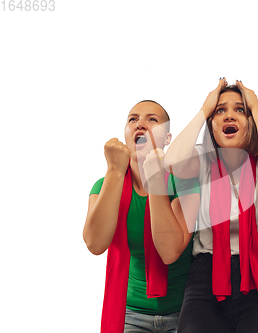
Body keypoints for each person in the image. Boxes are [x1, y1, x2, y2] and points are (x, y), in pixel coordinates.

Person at [165, 79, 258, 333]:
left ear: (251, 120)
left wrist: (256, 105)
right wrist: (204, 110)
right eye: (220, 110)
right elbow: (173, 161)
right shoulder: (200, 159)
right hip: (205, 277)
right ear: (211, 124)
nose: (229, 115)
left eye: (239, 110)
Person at [83, 100, 200, 333]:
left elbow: (169, 252)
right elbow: (95, 244)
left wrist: (156, 180)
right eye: (133, 119)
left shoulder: (184, 181)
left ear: (167, 138)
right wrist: (115, 171)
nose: (140, 124)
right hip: (129, 313)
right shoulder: (105, 184)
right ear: (125, 132)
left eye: (152, 119)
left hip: (184, 311)